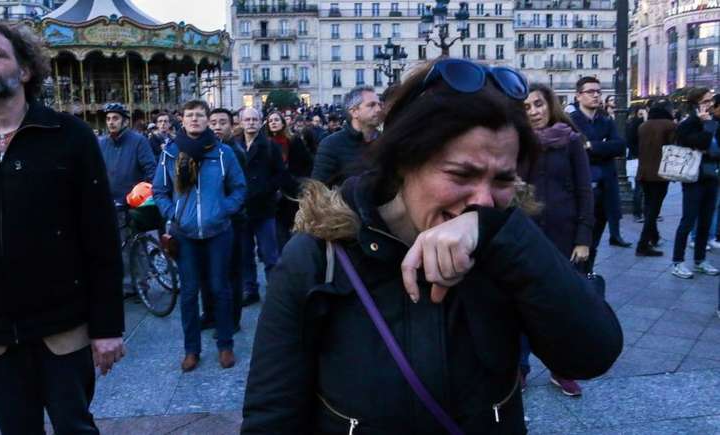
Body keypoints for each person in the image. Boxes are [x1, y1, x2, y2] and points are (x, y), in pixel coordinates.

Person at [241, 58, 623, 434]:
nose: (483, 202)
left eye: (503, 180)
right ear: (403, 161)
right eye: (461, 174)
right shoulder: (315, 257)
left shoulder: (506, 243)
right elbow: (270, 416)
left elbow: (591, 354)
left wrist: (512, 237)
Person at [0, 21, 125, 434]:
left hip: (62, 323)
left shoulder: (69, 136)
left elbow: (100, 236)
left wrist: (107, 326)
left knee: (75, 426)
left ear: (25, 70)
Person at [153, 100, 246, 371]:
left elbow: (239, 187)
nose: (194, 119)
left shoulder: (223, 152)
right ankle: (191, 349)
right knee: (189, 292)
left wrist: (223, 210)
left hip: (218, 231)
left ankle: (225, 344)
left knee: (220, 288)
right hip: (185, 234)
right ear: (182, 120)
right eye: (190, 115)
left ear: (207, 120)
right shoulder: (170, 153)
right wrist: (172, 213)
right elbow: (159, 190)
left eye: (200, 115)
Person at [521, 83, 594, 397]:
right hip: (527, 235)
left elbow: (584, 190)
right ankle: (520, 367)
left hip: (564, 234)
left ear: (549, 105)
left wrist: (584, 237)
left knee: (562, 307)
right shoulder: (517, 143)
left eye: (538, 104)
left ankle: (561, 369)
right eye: (526, 107)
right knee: (523, 303)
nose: (534, 112)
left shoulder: (571, 140)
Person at [570, 77, 629, 273]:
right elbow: (575, 151)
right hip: (582, 191)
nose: (596, 95)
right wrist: (604, 147)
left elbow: (619, 146)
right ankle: (575, 280)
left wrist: (591, 145)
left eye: (598, 91)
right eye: (590, 92)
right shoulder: (571, 121)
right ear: (578, 96)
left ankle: (587, 276)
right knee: (577, 243)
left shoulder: (606, 120)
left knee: (594, 244)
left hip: (605, 191)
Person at [98, 102, 157, 297]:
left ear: (125, 121)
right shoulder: (102, 143)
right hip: (111, 203)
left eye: (115, 118)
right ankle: (126, 284)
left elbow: (150, 168)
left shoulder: (138, 141)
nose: (111, 122)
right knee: (118, 246)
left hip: (133, 202)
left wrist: (143, 193)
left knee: (136, 245)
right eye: (108, 119)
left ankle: (140, 285)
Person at [199, 108, 248, 332]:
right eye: (213, 122)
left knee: (230, 273)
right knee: (207, 271)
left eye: (222, 122)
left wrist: (225, 209)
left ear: (232, 126)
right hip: (207, 222)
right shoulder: (204, 150)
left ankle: (231, 320)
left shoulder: (234, 152)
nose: (217, 127)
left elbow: (240, 190)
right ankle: (210, 314)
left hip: (231, 220)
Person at [236, 108, 285, 307]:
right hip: (241, 208)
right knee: (245, 253)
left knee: (270, 253)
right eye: (247, 119)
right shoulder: (235, 146)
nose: (251, 123)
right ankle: (250, 289)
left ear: (260, 122)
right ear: (240, 122)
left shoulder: (271, 146)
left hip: (264, 207)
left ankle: (275, 291)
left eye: (254, 119)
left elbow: (280, 174)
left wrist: (266, 189)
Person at [671, 88, 720, 279]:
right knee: (688, 220)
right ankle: (678, 262)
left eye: (711, 101)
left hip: (712, 176)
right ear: (695, 104)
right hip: (693, 178)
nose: (710, 105)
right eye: (705, 101)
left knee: (706, 221)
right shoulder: (687, 124)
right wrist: (706, 127)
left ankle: (700, 260)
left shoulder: (713, 122)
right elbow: (700, 143)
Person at [312, 86, 383, 186]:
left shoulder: (385, 141)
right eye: (371, 105)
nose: (379, 109)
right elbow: (319, 188)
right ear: (354, 112)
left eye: (380, 105)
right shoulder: (331, 145)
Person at [265, 110, 313, 250]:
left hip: (293, 191)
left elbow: (307, 163)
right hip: (275, 193)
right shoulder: (265, 144)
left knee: (295, 228)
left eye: (276, 120)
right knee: (279, 233)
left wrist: (299, 181)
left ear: (283, 123)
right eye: (270, 121)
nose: (273, 123)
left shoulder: (294, 141)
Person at [634, 101, 676, 257]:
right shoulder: (670, 126)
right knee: (654, 209)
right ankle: (643, 244)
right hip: (660, 173)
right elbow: (674, 147)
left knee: (649, 206)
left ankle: (654, 236)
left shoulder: (643, 126)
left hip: (643, 171)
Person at [627, 105, 648, 222]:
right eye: (640, 114)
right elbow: (631, 141)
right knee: (639, 188)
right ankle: (638, 213)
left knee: (644, 188)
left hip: (645, 158)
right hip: (637, 158)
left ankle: (644, 212)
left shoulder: (644, 124)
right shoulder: (635, 125)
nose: (643, 117)